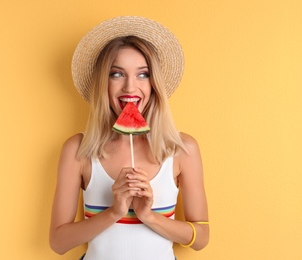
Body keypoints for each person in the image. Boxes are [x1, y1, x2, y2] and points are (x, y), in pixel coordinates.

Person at [50, 16, 209, 260]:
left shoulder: (183, 149)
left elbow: (201, 238)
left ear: (154, 84)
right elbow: (59, 243)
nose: (130, 88)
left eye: (142, 74)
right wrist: (115, 211)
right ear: (103, 83)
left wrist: (148, 215)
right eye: (117, 74)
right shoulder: (77, 150)